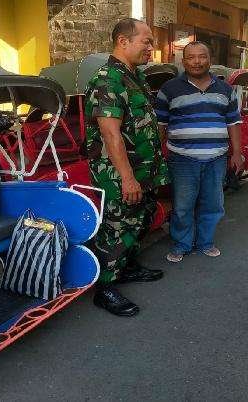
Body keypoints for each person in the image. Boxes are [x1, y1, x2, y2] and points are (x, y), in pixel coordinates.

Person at [84, 18, 169, 316]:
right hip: (119, 173)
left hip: (142, 169)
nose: (151, 47)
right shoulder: (108, 79)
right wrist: (127, 178)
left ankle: (127, 267)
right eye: (146, 41)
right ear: (123, 41)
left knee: (140, 219)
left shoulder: (135, 76)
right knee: (118, 226)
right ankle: (105, 288)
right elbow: (110, 134)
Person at [154, 41, 243, 263]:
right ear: (183, 61)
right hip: (182, 158)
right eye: (191, 57)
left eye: (202, 56)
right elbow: (161, 125)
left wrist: (237, 153)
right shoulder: (169, 89)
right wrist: (157, 154)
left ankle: (205, 242)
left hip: (216, 158)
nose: (197, 61)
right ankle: (182, 244)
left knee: (213, 204)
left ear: (210, 59)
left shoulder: (225, 90)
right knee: (182, 205)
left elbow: (233, 123)